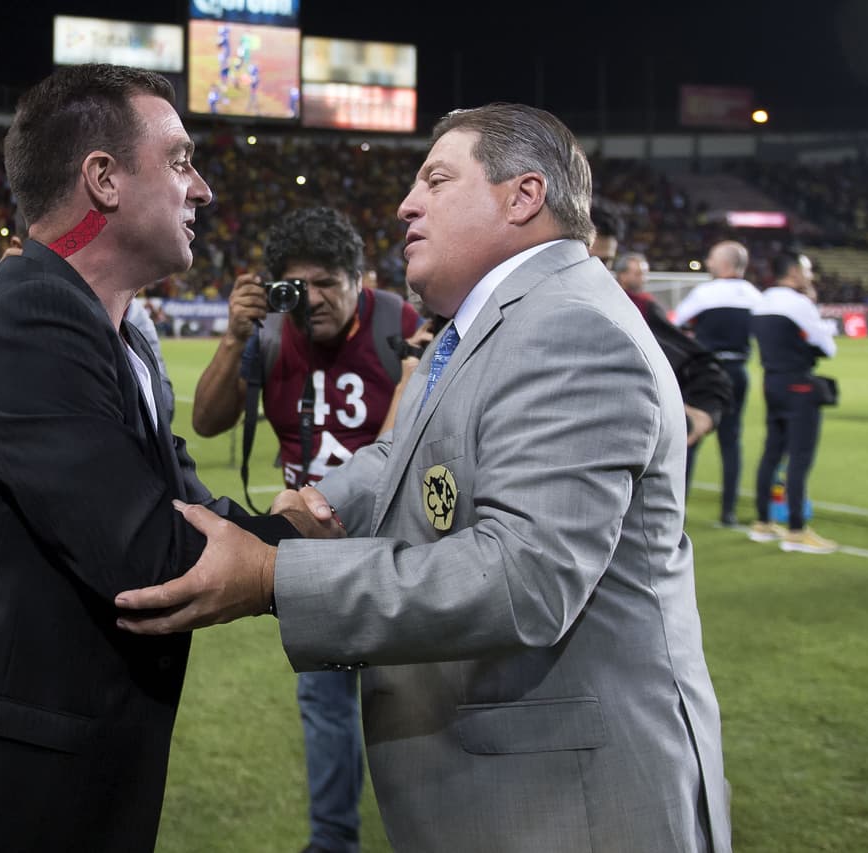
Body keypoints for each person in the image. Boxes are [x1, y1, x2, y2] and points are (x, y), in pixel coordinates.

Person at [116, 102, 731, 852]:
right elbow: (404, 455)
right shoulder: (500, 319)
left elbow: (523, 575)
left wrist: (277, 574)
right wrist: (301, 512)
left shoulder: (569, 327)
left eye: (436, 178)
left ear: (523, 196)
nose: (407, 203)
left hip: (569, 810)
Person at [0, 63, 297, 853]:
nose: (201, 188)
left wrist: (294, 521)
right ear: (103, 178)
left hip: (57, 794)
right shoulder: (27, 317)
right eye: (179, 160)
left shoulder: (113, 331)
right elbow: (153, 553)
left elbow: (183, 501)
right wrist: (304, 550)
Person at [190, 205, 421, 853]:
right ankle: (332, 840)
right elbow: (208, 422)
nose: (313, 299)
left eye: (328, 282)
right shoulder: (268, 335)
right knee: (324, 700)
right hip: (310, 550)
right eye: (298, 285)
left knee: (411, 699)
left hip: (390, 540)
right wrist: (235, 337)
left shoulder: (396, 323)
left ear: (359, 277)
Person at [748, 251, 839, 554]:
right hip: (798, 384)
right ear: (795, 272)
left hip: (771, 382)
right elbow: (828, 347)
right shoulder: (798, 303)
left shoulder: (762, 301)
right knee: (800, 457)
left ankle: (762, 523)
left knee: (772, 452)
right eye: (807, 270)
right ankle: (797, 531)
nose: (810, 275)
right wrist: (813, 307)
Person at [672, 240, 762, 525]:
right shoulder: (754, 296)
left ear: (724, 264)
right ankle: (728, 512)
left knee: (690, 437)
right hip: (737, 370)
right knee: (731, 441)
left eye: (711, 259)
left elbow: (677, 324)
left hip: (704, 373)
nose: (708, 264)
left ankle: (677, 511)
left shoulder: (704, 294)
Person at [612, 250, 733, 448]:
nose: (643, 278)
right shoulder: (637, 305)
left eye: (644, 272)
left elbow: (678, 346)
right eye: (637, 273)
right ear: (622, 275)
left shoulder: (646, 305)